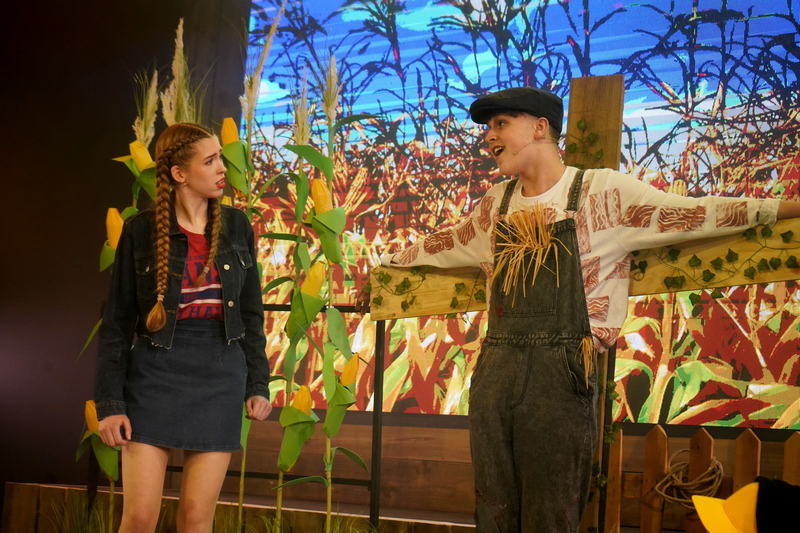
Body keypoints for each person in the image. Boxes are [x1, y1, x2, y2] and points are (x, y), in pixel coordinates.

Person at [356, 87, 800, 532]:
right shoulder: (496, 204)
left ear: (540, 127)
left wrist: (786, 208)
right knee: (493, 509)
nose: (488, 136)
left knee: (550, 515)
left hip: (561, 377)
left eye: (500, 123)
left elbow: (696, 213)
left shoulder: (601, 193)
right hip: (497, 371)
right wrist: (383, 271)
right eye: (488, 127)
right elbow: (446, 243)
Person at [94, 123, 272, 533]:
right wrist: (110, 404)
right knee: (139, 518)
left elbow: (251, 315)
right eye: (210, 161)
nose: (222, 168)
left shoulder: (237, 226)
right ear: (179, 174)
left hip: (219, 375)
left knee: (195, 518)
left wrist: (258, 384)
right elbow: (117, 325)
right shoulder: (141, 230)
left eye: (220, 158)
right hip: (154, 373)